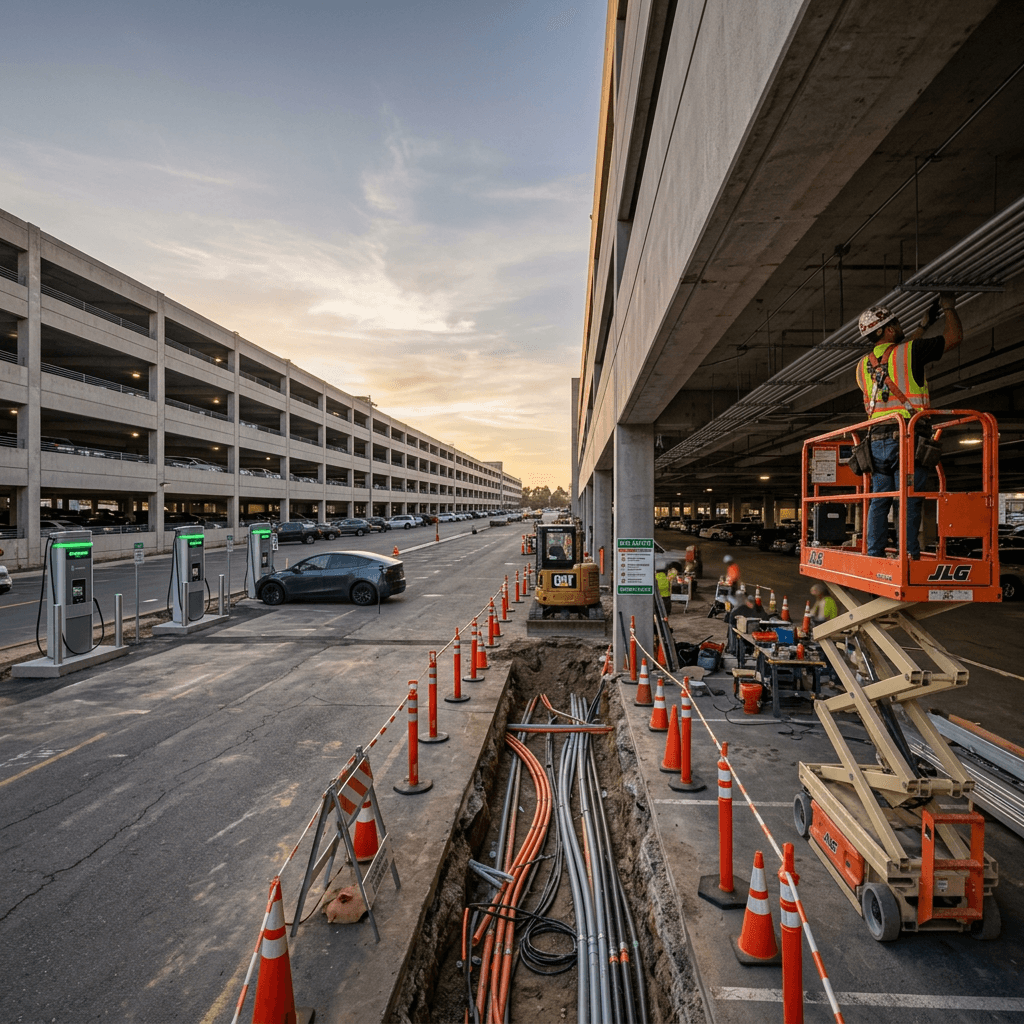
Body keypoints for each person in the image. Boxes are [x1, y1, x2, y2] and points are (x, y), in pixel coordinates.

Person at [854, 294, 962, 558]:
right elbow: (954, 337)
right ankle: (908, 555)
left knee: (880, 499)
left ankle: (875, 553)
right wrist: (949, 306)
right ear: (889, 329)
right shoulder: (908, 352)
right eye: (898, 324)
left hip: (876, 442)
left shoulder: (861, 366)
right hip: (907, 438)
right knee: (909, 498)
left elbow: (897, 354)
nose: (902, 328)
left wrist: (924, 326)